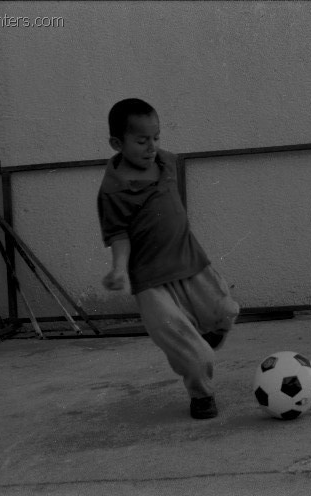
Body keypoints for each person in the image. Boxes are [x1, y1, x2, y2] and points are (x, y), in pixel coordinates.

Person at [98, 98, 240, 419]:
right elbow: (118, 234)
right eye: (142, 140)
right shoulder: (113, 190)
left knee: (226, 309)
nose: (152, 147)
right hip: (150, 280)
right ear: (117, 144)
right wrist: (119, 268)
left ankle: (210, 333)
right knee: (188, 347)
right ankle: (202, 395)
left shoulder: (166, 163)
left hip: (190, 262)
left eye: (156, 137)